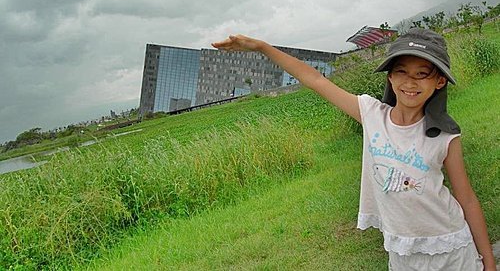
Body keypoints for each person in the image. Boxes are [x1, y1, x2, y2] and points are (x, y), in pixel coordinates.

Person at [212, 28, 496, 270]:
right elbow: (315, 80)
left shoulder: (446, 136)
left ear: (439, 81)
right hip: (401, 250)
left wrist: (490, 264)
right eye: (402, 72)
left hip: (450, 246)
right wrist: (262, 47)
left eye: (423, 74)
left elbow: (467, 199)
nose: (411, 82)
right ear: (390, 78)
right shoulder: (372, 114)